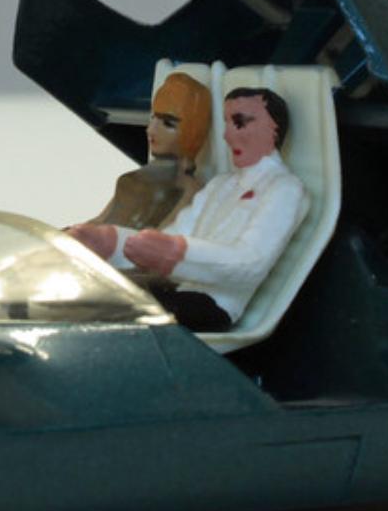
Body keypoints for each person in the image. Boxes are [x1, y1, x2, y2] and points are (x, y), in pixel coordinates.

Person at [69, 87, 307, 333]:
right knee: (82, 291)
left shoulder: (284, 189)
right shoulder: (220, 185)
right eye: (226, 123)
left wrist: (177, 254)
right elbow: (171, 237)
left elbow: (250, 264)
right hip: (174, 288)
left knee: (98, 309)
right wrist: (111, 241)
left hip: (212, 304)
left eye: (240, 123)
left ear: (274, 129)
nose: (227, 135)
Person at [89, 72, 211, 230]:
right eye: (153, 119)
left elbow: (159, 236)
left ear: (192, 132)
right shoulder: (142, 175)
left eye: (168, 124)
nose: (150, 130)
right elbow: (100, 219)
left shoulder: (189, 189)